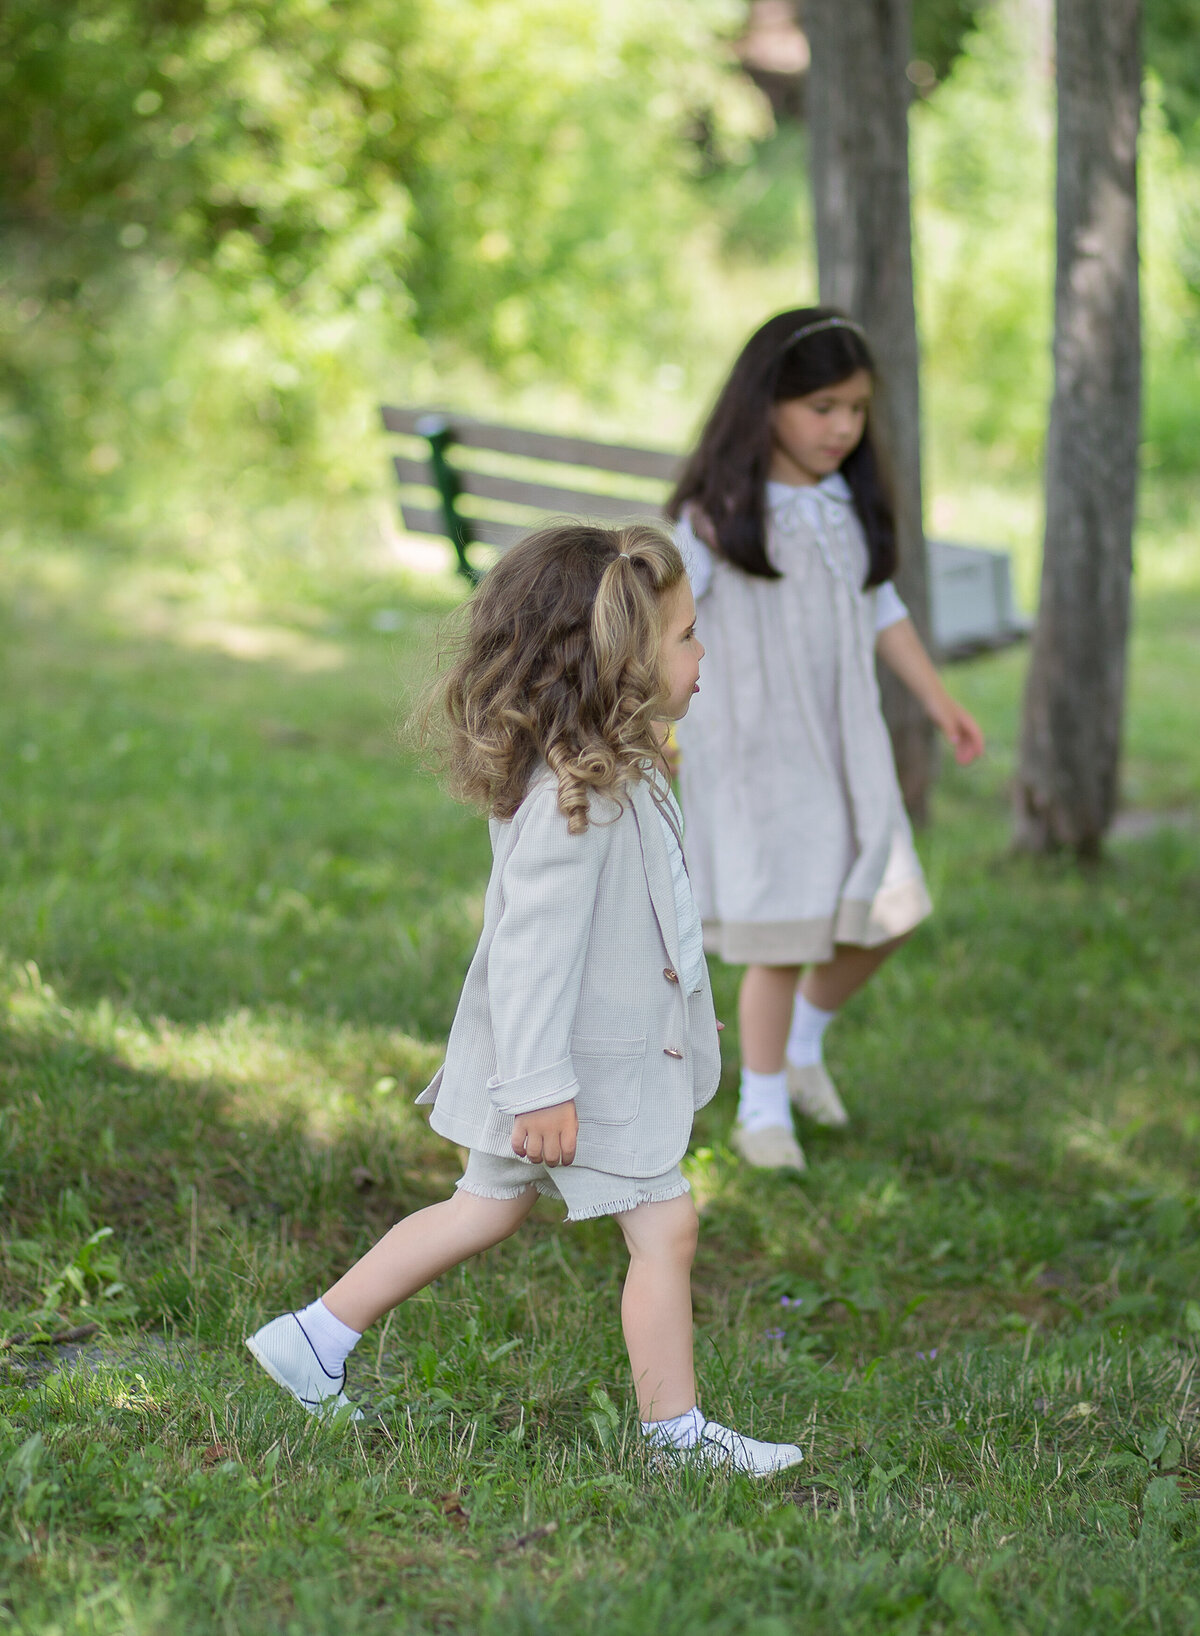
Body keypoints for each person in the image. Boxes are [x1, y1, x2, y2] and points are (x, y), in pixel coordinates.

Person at [245, 521, 803, 1477]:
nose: (703, 653)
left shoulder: (617, 771)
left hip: (590, 1060)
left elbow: (636, 928)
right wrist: (540, 1085)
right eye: (686, 636)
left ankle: (313, 1338)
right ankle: (674, 1438)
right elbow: (532, 951)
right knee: (666, 1223)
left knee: (484, 1208)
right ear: (618, 659)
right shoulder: (572, 799)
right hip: (565, 1076)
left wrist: (671, 1007)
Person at [667, 308, 985, 1173]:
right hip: (759, 751)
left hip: (845, 742)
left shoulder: (846, 501)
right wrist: (650, 723)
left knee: (888, 909)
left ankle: (802, 1047)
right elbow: (654, 624)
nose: (844, 427)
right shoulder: (712, 518)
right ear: (766, 403)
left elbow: (881, 607)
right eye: (823, 407)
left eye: (855, 409)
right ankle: (760, 1109)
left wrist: (938, 701)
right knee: (783, 933)